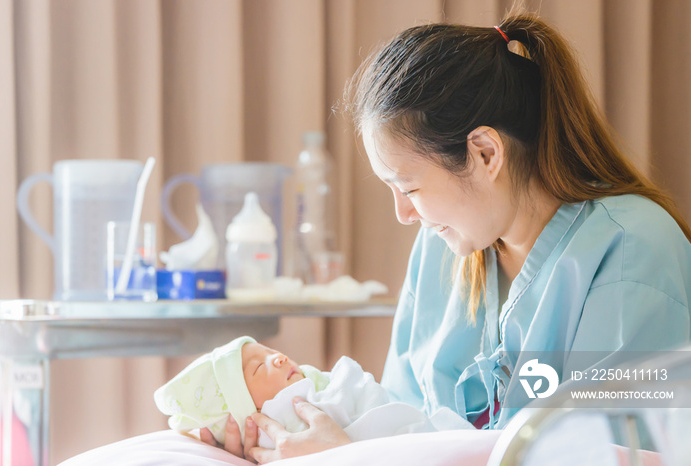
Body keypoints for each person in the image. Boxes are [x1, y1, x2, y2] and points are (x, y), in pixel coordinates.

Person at [202, 11, 691, 464]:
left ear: (483, 152)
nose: (403, 214)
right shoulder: (443, 251)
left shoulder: (631, 251)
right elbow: (395, 415)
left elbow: (617, 455)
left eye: (409, 186)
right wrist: (280, 426)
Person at [156, 336, 471, 448]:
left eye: (269, 351)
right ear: (244, 411)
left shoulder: (314, 385)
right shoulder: (279, 420)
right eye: (258, 367)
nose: (277, 357)